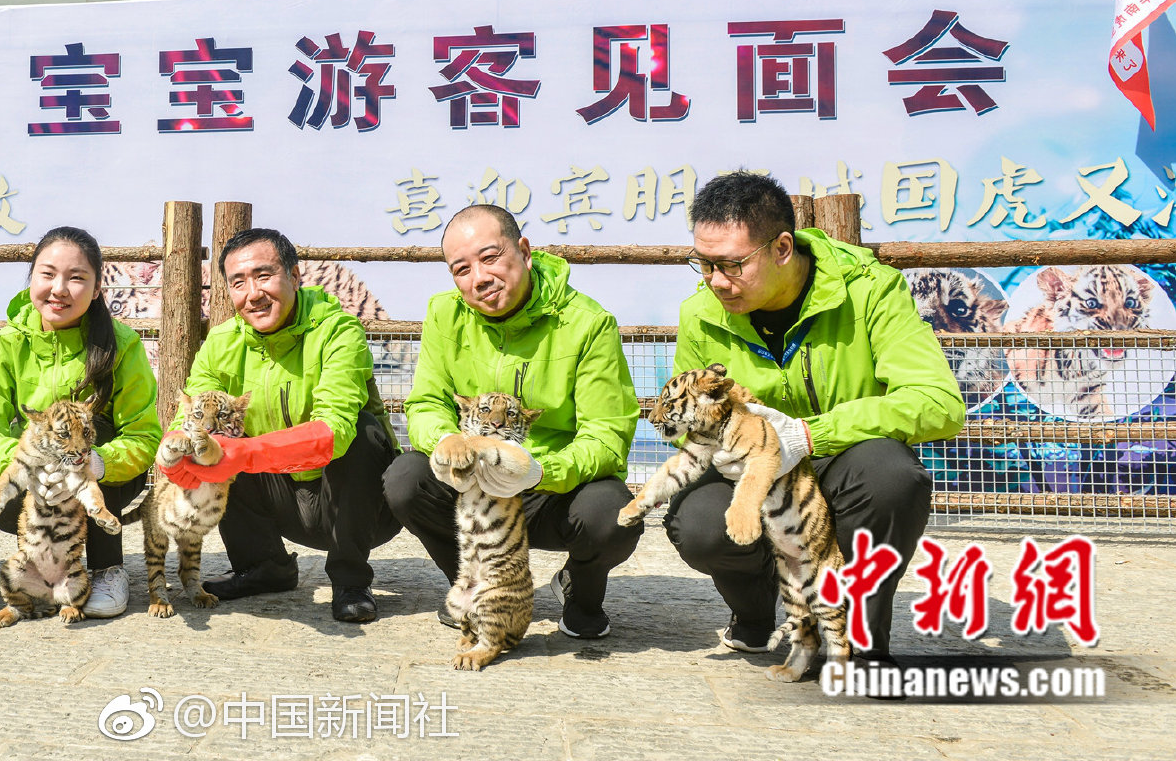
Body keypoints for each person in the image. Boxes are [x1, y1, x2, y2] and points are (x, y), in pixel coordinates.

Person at [664, 172, 961, 666]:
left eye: (732, 264)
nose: (716, 281)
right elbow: (691, 422)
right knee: (697, 521)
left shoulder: (871, 291)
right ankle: (757, 614)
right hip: (754, 466)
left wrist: (809, 434)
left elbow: (938, 402)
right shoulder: (700, 313)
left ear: (782, 247)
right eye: (704, 263)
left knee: (892, 477)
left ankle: (862, 643)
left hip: (844, 460)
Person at [382, 205, 643, 639]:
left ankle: (580, 591)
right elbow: (426, 401)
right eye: (461, 269)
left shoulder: (589, 323)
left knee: (611, 514)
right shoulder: (444, 314)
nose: (478, 278)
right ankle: (475, 587)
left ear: (524, 250)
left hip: (551, 485)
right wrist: (450, 442)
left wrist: (539, 471)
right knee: (404, 478)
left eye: (489, 258)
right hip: (476, 479)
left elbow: (607, 435)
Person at [159, 229, 401, 622]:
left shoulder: (338, 331)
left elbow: (334, 430)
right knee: (210, 438)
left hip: (357, 506)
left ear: (294, 275)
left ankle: (351, 579)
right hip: (281, 496)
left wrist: (241, 454)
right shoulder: (220, 342)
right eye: (238, 282)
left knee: (363, 432)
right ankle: (263, 567)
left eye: (263, 275)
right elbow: (188, 414)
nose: (252, 293)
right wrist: (173, 453)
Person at [0, 227, 161, 619]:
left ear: (95, 290)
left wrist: (98, 463)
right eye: (48, 274)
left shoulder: (121, 344)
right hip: (34, 473)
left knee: (93, 428)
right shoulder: (5, 344)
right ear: (31, 278)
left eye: (76, 278)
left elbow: (143, 433)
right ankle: (41, 567)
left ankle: (108, 568)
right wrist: (27, 465)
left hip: (96, 474)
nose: (59, 288)